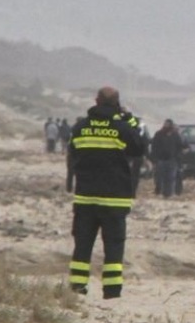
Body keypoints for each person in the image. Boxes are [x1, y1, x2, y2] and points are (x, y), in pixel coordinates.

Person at [67, 87, 144, 299]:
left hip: (85, 198)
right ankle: (111, 292)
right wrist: (131, 122)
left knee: (82, 246)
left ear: (96, 101)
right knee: (114, 247)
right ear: (117, 103)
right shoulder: (122, 128)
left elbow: (73, 152)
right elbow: (139, 149)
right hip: (114, 199)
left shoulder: (80, 127)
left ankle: (77, 288)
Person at [150, 119, 186, 198]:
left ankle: (169, 193)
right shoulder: (158, 134)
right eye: (165, 124)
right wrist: (154, 159)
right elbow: (154, 147)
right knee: (160, 178)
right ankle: (161, 192)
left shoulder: (175, 135)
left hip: (172, 160)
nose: (167, 126)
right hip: (161, 160)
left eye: (168, 124)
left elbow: (180, 146)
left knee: (171, 178)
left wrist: (178, 156)